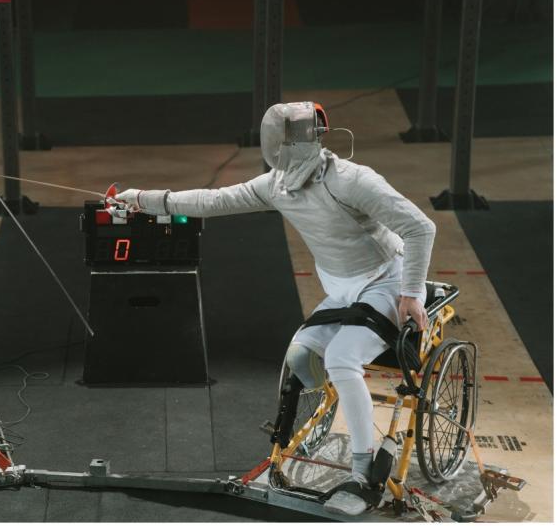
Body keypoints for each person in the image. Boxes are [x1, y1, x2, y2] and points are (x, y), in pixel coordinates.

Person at [115, 101, 435, 516]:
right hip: (341, 291)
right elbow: (214, 200)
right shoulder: (277, 185)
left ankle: (364, 473)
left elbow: (420, 227)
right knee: (300, 354)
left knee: (340, 359)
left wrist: (411, 292)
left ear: (300, 142)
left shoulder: (353, 180)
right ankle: (329, 419)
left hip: (385, 282)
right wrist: (143, 199)